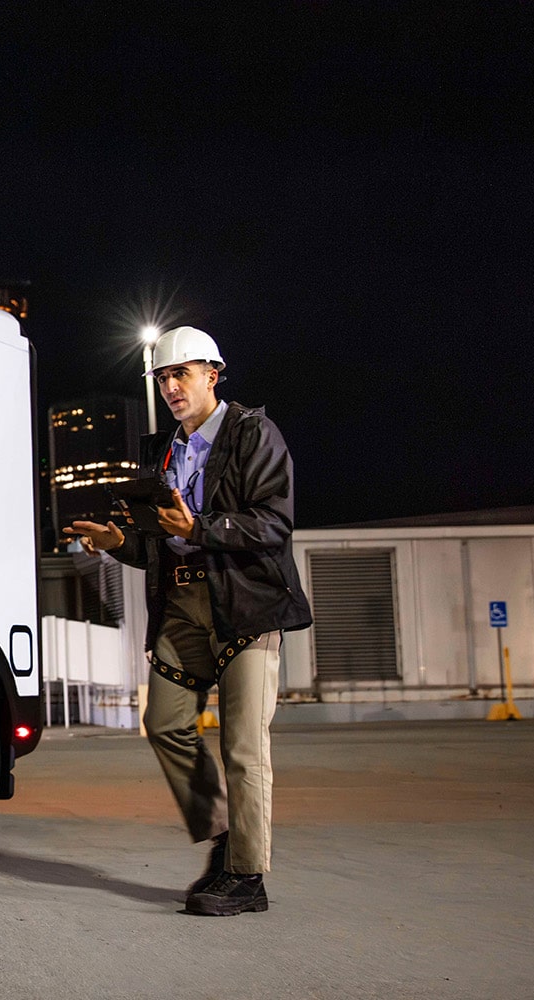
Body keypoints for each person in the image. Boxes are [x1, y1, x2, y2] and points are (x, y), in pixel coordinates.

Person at [65, 326, 311, 917]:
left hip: (244, 608)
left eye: (182, 374)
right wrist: (119, 541)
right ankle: (227, 836)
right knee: (165, 721)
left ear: (213, 376)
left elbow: (274, 523)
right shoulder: (163, 451)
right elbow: (157, 543)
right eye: (163, 377)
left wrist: (200, 529)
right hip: (181, 607)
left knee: (244, 749)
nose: (172, 386)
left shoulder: (254, 434)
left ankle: (248, 878)